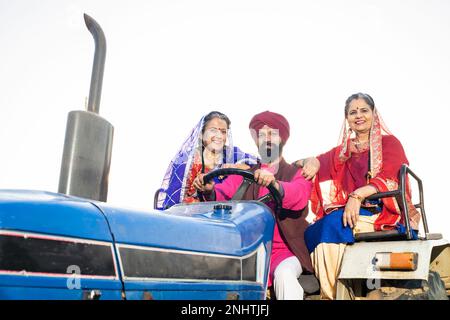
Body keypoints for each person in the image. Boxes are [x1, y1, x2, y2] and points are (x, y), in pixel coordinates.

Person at [297, 93, 420, 300]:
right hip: (354, 211)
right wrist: (312, 161)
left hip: (385, 210)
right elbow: (304, 163)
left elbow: (391, 176)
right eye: (353, 112)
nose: (358, 115)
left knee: (334, 224)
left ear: (374, 114)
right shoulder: (343, 152)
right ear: (347, 118)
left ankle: (335, 296)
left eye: (364, 110)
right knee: (311, 232)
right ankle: (334, 290)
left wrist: (357, 196)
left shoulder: (390, 143)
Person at [193, 111, 313, 300]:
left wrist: (274, 184)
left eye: (272, 134)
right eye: (262, 135)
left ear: (282, 138)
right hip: (247, 253)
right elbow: (222, 194)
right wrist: (209, 189)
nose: (267, 139)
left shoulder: (296, 172)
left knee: (285, 276)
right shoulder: (244, 175)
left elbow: (298, 195)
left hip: (283, 252)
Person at [157, 111, 257, 209]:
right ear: (201, 133)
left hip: (229, 217)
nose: (219, 136)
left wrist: (236, 166)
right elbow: (173, 204)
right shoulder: (186, 162)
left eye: (223, 132)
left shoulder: (233, 154)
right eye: (213, 130)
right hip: (195, 218)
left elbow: (259, 166)